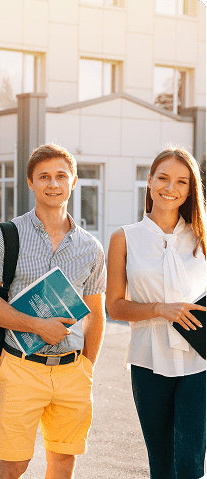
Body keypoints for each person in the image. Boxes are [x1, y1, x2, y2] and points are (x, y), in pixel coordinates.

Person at [0, 143, 106, 479]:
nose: (53, 183)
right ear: (30, 182)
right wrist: (37, 325)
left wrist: (86, 366)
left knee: (63, 462)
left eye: (61, 176)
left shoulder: (90, 247)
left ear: (73, 181)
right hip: (21, 368)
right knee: (14, 463)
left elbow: (96, 314)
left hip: (72, 371)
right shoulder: (5, 236)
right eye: (44, 176)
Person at [106, 147, 206, 479]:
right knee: (161, 464)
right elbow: (114, 306)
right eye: (162, 178)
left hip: (199, 362)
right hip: (149, 362)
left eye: (181, 181)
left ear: (190, 190)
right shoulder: (124, 238)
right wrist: (159, 309)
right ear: (149, 182)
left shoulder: (202, 237)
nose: (170, 188)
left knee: (190, 464)